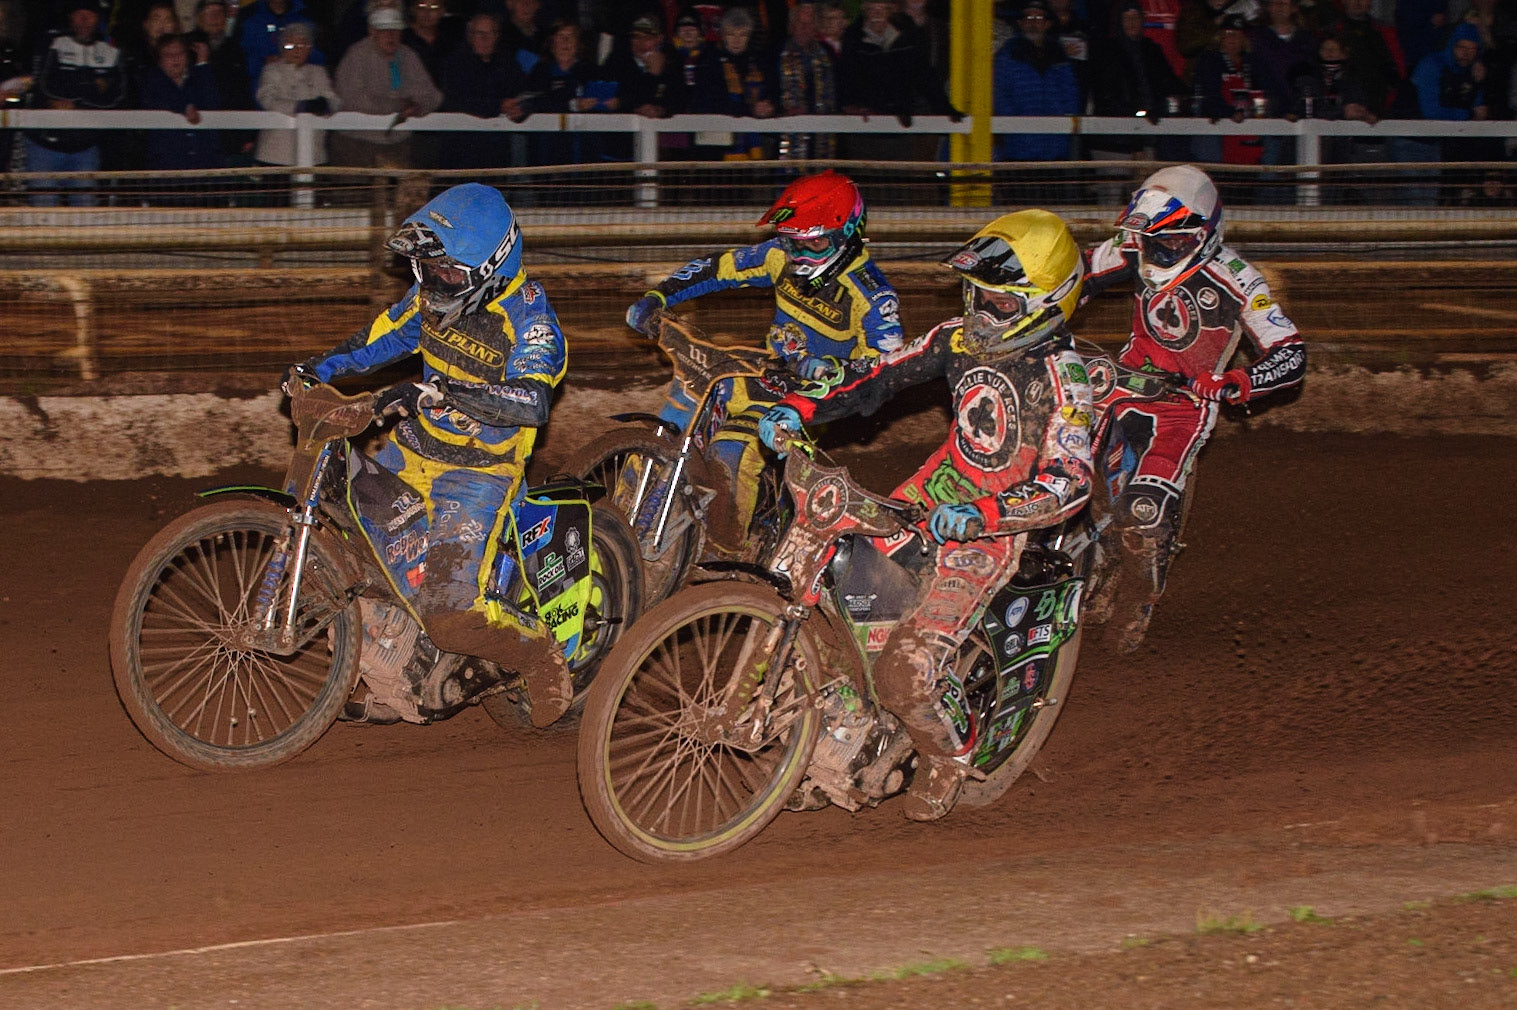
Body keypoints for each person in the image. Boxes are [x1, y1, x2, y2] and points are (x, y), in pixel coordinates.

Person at [758, 209, 1096, 822]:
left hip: (990, 529)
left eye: (997, 301)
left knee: (906, 670)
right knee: (820, 570)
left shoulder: (1064, 382)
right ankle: (826, 730)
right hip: (926, 495)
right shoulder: (956, 338)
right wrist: (801, 406)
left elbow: (1069, 485)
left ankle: (947, 757)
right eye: (976, 295)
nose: (979, 311)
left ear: (1046, 304)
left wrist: (982, 514)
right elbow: (878, 379)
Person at [284, 183, 573, 727]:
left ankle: (538, 653)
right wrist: (315, 369)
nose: (435, 283)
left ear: (492, 264)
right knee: (349, 541)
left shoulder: (530, 320)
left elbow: (532, 399)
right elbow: (378, 340)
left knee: (449, 616)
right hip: (413, 451)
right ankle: (390, 662)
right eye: (428, 269)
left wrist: (440, 392)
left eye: (448, 273)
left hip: (479, 474)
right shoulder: (428, 301)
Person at [1080, 164, 1306, 651]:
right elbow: (1076, 275)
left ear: (1206, 232)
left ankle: (1141, 595)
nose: (1162, 251)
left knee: (1144, 510)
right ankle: (1098, 566)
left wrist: (1236, 381)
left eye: (1176, 242)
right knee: (1072, 473)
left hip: (1185, 401)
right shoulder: (1131, 246)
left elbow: (1290, 352)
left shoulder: (1237, 278)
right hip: (1124, 383)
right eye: (1156, 241)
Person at [623, 170, 904, 552]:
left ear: (848, 235)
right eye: (792, 242)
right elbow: (717, 269)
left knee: (731, 451)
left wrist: (827, 372)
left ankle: (725, 555)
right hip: (762, 368)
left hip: (809, 400)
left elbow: (886, 371)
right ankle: (624, 514)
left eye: (815, 243)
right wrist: (659, 297)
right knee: (686, 398)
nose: (800, 256)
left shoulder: (872, 297)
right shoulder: (779, 256)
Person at [25, 0, 125, 207]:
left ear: (98, 18)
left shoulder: (110, 50)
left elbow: (117, 97)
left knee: (84, 218)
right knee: (42, 217)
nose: (84, 19)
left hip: (85, 148)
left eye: (90, 13)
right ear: (70, 17)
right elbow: (44, 87)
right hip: (45, 145)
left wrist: (77, 101)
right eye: (78, 13)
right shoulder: (52, 43)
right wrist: (94, 90)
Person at [331, 5, 443, 168]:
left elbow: (433, 95)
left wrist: (417, 106)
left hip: (398, 143)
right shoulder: (356, 56)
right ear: (372, 31)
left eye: (396, 30)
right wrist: (397, 105)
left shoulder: (407, 56)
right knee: (356, 192)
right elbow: (353, 99)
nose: (391, 36)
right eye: (385, 30)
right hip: (358, 143)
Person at [138, 33, 225, 183]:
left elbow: (213, 102)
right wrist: (184, 107)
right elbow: (158, 100)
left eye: (180, 53)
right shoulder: (151, 80)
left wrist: (203, 64)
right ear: (159, 60)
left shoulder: (199, 77)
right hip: (166, 168)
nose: (175, 58)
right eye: (168, 54)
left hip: (204, 168)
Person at [255, 21, 340, 168]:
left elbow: (334, 99)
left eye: (302, 45)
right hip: (276, 152)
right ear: (282, 47)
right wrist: (300, 107)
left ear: (310, 48)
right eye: (290, 46)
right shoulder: (272, 70)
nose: (296, 50)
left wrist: (324, 105)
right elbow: (267, 99)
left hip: (314, 152)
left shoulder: (318, 72)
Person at [776, 2, 839, 161]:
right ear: (791, 26)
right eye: (800, 23)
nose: (805, 27)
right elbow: (771, 90)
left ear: (816, 27)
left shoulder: (828, 54)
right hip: (787, 133)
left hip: (822, 134)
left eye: (810, 23)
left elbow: (839, 89)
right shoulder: (777, 52)